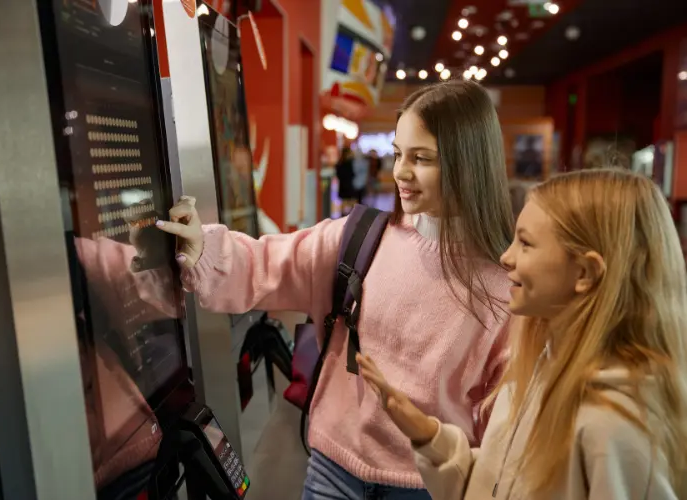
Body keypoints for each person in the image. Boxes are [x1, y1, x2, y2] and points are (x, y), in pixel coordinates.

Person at [156, 79, 515, 499]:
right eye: (398, 154)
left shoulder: (505, 288)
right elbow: (267, 263)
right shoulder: (364, 238)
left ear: (468, 162)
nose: (400, 171)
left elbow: (505, 422)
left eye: (422, 158)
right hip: (334, 467)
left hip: (427, 486)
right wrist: (202, 249)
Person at [358, 169, 687, 499]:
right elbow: (500, 485)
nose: (506, 257)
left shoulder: (614, 426)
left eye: (526, 244)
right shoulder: (538, 373)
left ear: (584, 273)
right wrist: (428, 435)